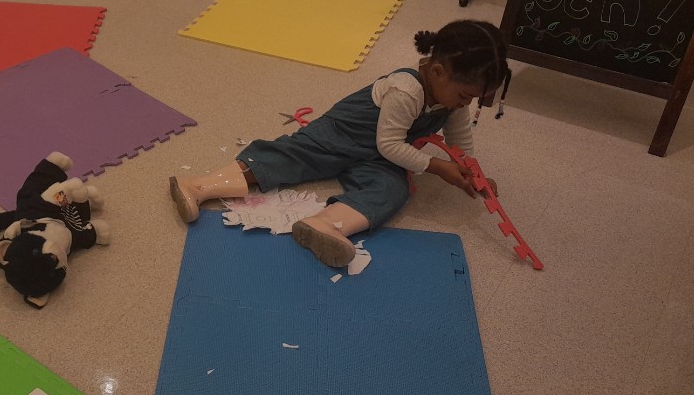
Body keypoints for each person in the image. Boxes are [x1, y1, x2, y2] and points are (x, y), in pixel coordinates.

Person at [169, 19, 511, 268]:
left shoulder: (453, 100)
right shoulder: (406, 90)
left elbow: (459, 141)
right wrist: (436, 167)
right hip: (341, 135)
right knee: (290, 156)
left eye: (474, 99)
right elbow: (392, 143)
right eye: (465, 95)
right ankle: (199, 185)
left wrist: (470, 170)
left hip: (380, 156)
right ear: (437, 72)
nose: (466, 104)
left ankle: (325, 225)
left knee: (393, 190)